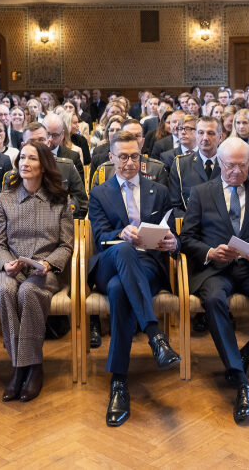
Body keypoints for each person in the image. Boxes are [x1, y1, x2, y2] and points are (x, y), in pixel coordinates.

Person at [179, 137, 249, 424]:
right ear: (220, 163)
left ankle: (247, 351)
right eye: (230, 165)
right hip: (215, 269)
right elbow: (187, 238)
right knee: (214, 300)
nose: (236, 171)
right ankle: (240, 379)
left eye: (243, 166)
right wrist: (209, 252)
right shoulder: (201, 193)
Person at [87, 131, 181, 426]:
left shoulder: (159, 191)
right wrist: (121, 232)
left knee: (119, 291)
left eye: (135, 156)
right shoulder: (100, 193)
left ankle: (119, 382)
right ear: (111, 158)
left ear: (142, 157)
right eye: (123, 157)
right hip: (109, 261)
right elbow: (100, 236)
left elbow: (170, 231)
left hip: (147, 265)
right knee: (124, 250)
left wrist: (173, 243)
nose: (129, 163)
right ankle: (155, 335)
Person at [0, 140, 74, 402]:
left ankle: (32, 367)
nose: (24, 163)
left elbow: (66, 245)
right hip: (13, 267)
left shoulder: (60, 200)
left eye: (32, 159)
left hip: (44, 270)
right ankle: (21, 366)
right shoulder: (4, 199)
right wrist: (6, 263)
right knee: (4, 290)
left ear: (44, 166)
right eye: (22, 158)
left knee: (28, 291)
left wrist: (48, 263)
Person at [170, 116, 222, 218]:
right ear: (195, 135)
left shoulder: (228, 163)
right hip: (190, 223)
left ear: (220, 137)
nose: (205, 138)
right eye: (201, 133)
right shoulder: (181, 164)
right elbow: (174, 205)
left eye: (210, 133)